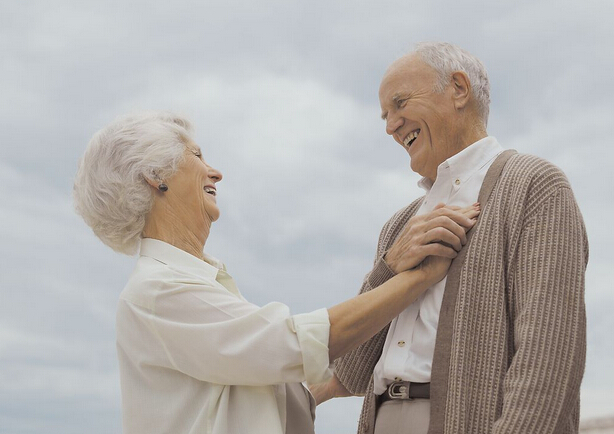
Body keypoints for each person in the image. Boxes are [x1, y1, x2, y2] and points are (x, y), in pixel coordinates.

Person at [72, 112, 479, 434]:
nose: (215, 172)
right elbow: (289, 346)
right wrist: (418, 276)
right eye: (196, 156)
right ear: (155, 176)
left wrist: (331, 384)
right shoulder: (158, 291)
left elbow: (255, 380)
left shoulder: (190, 284)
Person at [311, 42, 589, 434]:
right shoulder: (399, 225)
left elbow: (548, 356)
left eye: (400, 103)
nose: (391, 125)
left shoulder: (535, 186)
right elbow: (354, 371)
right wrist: (389, 267)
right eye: (385, 115)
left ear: (459, 89)